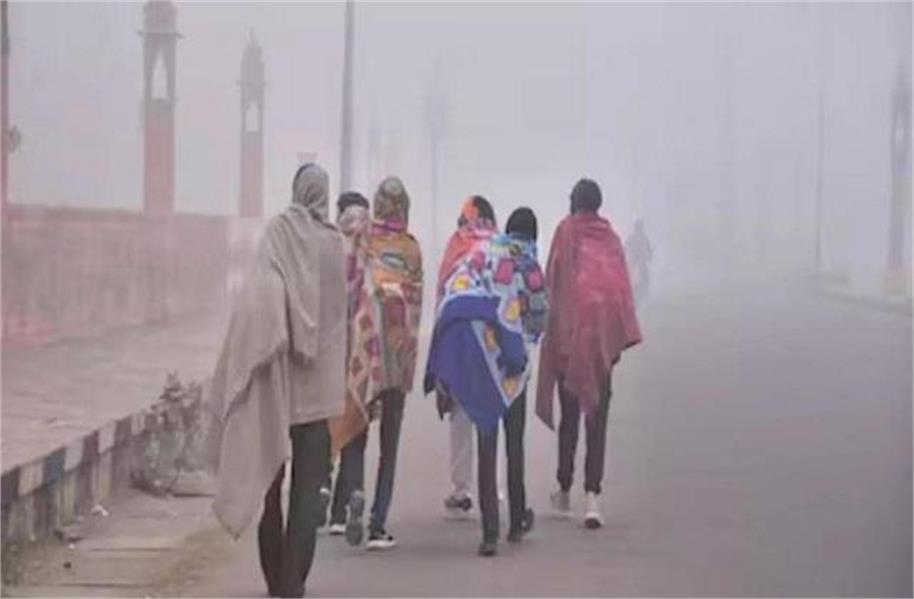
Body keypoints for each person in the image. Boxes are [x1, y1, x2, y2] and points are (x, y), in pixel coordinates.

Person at [207, 163, 347, 598]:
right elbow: (339, 316)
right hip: (318, 390)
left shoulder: (277, 234)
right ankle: (294, 582)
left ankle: (275, 580)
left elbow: (258, 296)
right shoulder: (335, 245)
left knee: (271, 487)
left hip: (279, 383)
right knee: (307, 491)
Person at [425, 200, 547, 557]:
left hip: (480, 359)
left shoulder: (482, 253)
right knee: (514, 442)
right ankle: (517, 519)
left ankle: (489, 533)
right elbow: (538, 320)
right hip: (512, 366)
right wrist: (519, 340)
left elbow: (454, 289)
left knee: (486, 439)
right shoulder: (529, 264)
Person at [536, 178, 642, 530]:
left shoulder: (565, 232)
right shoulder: (610, 238)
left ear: (574, 202)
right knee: (598, 418)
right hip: (601, 343)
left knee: (570, 418)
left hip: (570, 341)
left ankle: (565, 489)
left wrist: (552, 332)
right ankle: (593, 497)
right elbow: (621, 290)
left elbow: (552, 283)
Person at [328, 177, 423, 551]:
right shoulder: (411, 249)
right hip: (397, 358)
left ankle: (354, 491)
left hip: (365, 352)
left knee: (357, 428)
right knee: (390, 443)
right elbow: (416, 306)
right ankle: (378, 525)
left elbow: (348, 290)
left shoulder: (362, 239)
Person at [432, 196, 498, 520]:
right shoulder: (499, 246)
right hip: (491, 338)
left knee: (459, 413)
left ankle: (462, 490)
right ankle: (491, 487)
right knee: (488, 412)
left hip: (458, 337)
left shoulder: (456, 243)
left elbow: (442, 291)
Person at [322, 191, 372, 536]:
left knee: (324, 424)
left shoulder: (328, 247)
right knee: (356, 425)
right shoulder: (374, 252)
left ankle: (322, 487)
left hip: (329, 352)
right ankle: (350, 494)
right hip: (363, 355)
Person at [625, 219, 653, 305]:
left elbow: (648, 250)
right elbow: (625, 249)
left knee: (642, 280)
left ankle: (639, 296)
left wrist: (649, 255)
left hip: (638, 263)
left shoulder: (638, 238)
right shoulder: (640, 238)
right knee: (637, 280)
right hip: (636, 263)